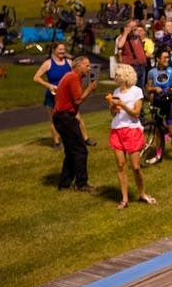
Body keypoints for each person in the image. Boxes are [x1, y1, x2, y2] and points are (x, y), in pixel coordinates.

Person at [106, 64, 156, 209]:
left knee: (135, 167)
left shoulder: (137, 91)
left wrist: (122, 104)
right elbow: (114, 113)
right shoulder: (116, 91)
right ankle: (124, 199)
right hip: (117, 129)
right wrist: (112, 107)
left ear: (125, 76)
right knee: (121, 165)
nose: (115, 77)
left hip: (132, 130)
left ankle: (142, 194)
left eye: (117, 75)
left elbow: (135, 113)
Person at [33, 42, 91, 149]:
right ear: (54, 50)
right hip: (53, 94)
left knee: (77, 117)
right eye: (60, 49)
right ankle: (56, 142)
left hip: (68, 95)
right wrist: (49, 85)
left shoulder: (69, 62)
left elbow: (77, 74)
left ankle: (86, 139)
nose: (62, 51)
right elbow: (36, 78)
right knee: (54, 119)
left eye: (64, 49)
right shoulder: (48, 63)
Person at [54, 55, 99, 191]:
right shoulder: (73, 77)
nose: (89, 68)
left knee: (71, 152)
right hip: (65, 118)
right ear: (78, 66)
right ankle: (82, 183)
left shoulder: (72, 76)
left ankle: (64, 183)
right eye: (87, 65)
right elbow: (78, 100)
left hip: (62, 117)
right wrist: (90, 88)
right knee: (80, 151)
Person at [146, 48, 172, 166]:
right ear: (158, 59)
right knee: (158, 131)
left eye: (168, 57)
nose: (167, 60)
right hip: (158, 104)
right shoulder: (152, 72)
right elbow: (148, 88)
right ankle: (158, 155)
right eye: (165, 58)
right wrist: (154, 89)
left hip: (169, 103)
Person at [115, 20, 148, 94]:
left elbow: (144, 31)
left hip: (141, 66)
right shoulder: (124, 38)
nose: (135, 29)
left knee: (140, 89)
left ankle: (138, 104)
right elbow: (119, 45)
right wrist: (126, 32)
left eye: (135, 26)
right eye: (132, 27)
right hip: (131, 68)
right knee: (131, 88)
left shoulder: (138, 37)